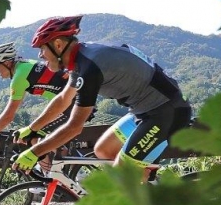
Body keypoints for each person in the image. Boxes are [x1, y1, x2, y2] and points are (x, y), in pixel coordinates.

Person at [12, 15, 192, 177]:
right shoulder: (81, 59)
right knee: (104, 150)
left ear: (58, 44)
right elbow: (63, 99)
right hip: (143, 111)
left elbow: (74, 127)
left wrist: (34, 152)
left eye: (42, 49)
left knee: (124, 175)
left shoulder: (90, 67)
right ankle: (148, 189)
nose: (40, 55)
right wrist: (32, 128)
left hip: (166, 113)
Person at [0, 42, 78, 154]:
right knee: (35, 137)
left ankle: (59, 170)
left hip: (71, 105)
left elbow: (9, 115)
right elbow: (12, 110)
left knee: (32, 137)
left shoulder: (19, 77)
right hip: (71, 102)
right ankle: (60, 167)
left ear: (7, 62)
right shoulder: (24, 66)